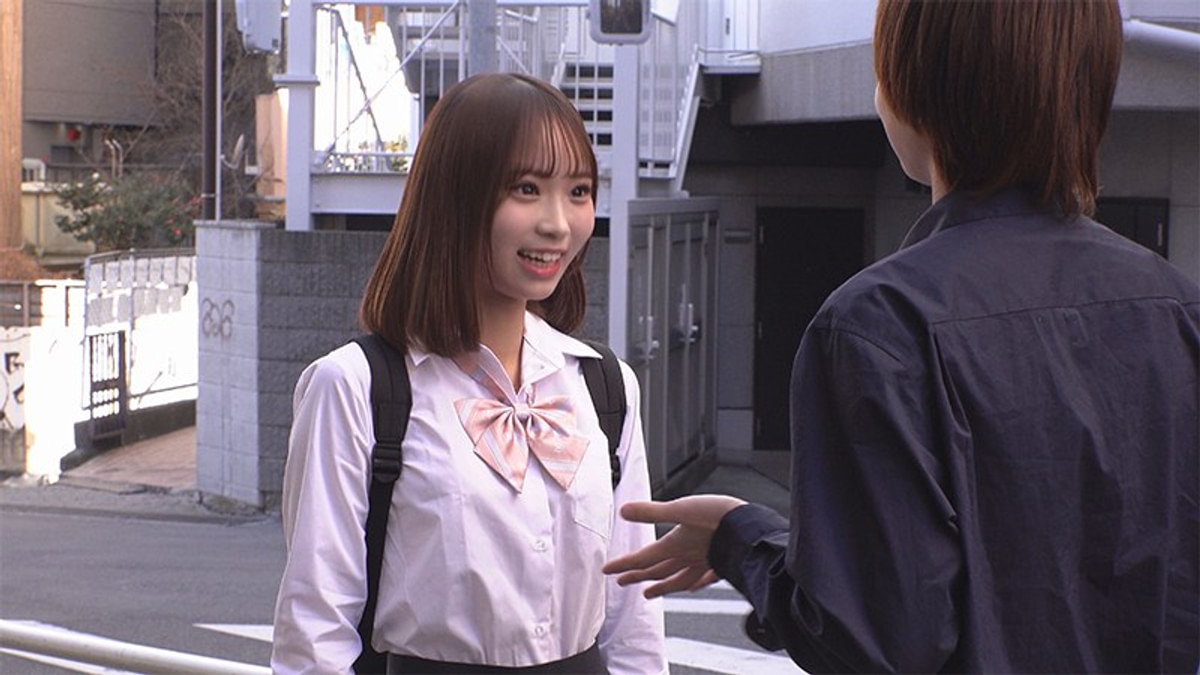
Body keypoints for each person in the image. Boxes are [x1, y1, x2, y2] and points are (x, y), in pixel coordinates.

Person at [604, 1, 1199, 672]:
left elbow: (877, 640)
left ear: (915, 91)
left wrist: (741, 538)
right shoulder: (1177, 308)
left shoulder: (880, 326)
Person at [272, 73, 666, 674]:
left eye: (579, 191)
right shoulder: (355, 387)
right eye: (527, 189)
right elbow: (314, 635)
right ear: (454, 196)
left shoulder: (605, 387)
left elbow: (633, 622)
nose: (558, 224)